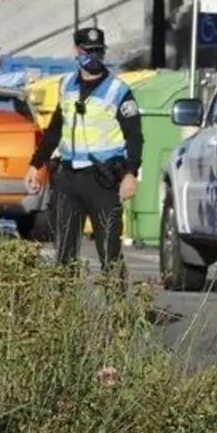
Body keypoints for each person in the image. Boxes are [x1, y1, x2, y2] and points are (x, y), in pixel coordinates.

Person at [25, 26, 142, 273]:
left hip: (103, 180)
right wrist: (36, 164)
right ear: (77, 51)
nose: (94, 56)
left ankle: (116, 311)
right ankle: (66, 310)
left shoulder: (118, 90)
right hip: (68, 179)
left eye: (99, 51)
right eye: (88, 51)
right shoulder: (66, 85)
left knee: (109, 253)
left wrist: (131, 172)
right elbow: (55, 130)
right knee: (64, 256)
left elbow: (134, 136)